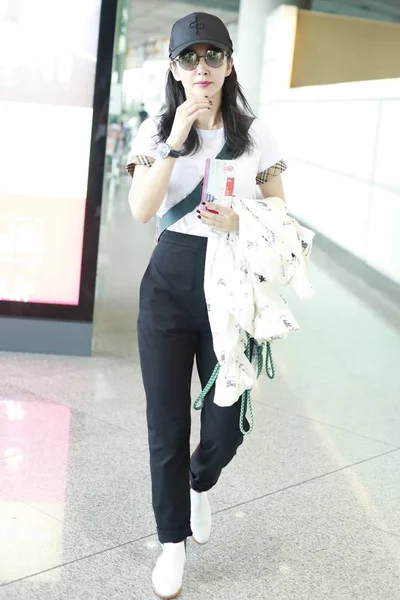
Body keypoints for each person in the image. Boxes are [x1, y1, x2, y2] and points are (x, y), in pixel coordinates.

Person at [127, 12, 287, 599]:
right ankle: (171, 541)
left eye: (212, 56)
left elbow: (281, 215)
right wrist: (174, 140)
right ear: (174, 67)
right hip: (169, 283)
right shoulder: (154, 130)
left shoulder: (256, 133)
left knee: (226, 422)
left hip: (232, 286)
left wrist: (242, 218)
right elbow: (143, 210)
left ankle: (200, 482)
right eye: (189, 58)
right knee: (165, 425)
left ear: (229, 64)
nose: (201, 68)